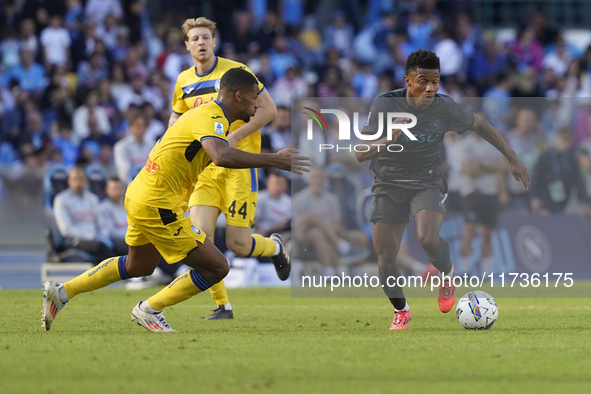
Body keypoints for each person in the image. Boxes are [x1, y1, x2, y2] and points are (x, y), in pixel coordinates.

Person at [41, 67, 310, 332]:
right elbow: (221, 156)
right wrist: (274, 159)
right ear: (239, 96)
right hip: (159, 204)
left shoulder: (210, 117)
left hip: (140, 196)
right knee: (217, 267)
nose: (256, 106)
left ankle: (62, 292)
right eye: (254, 98)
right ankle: (149, 309)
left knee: (139, 265)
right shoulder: (212, 117)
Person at [355, 49, 529, 330]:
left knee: (427, 238)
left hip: (427, 181)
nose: (430, 88)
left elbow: (481, 126)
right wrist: (389, 136)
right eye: (423, 81)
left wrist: (512, 158)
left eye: (435, 81)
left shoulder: (445, 107)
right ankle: (402, 311)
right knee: (386, 261)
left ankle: (447, 273)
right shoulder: (385, 105)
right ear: (407, 80)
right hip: (387, 184)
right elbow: (360, 153)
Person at [168, 17, 284, 320]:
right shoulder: (183, 81)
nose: (201, 43)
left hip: (238, 167)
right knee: (198, 241)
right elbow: (176, 120)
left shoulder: (236, 73)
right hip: (205, 170)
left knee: (239, 245)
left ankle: (273, 248)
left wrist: (234, 136)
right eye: (195, 39)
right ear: (187, 45)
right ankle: (223, 305)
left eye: (206, 37)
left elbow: (269, 110)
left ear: (214, 41)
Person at [292, 167, 369, 276]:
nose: (318, 181)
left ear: (326, 180)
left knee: (360, 237)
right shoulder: (299, 199)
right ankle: (332, 266)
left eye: (322, 178)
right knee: (316, 229)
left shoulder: (331, 199)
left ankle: (357, 272)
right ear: (309, 179)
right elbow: (298, 226)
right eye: (315, 178)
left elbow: (337, 222)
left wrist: (338, 229)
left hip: (332, 233)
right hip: (308, 235)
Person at [458, 129, 507, 276]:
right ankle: (464, 271)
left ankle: (487, 273)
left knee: (487, 234)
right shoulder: (466, 144)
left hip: (491, 191)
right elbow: (468, 169)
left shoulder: (494, 143)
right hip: (473, 192)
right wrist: (491, 167)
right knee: (469, 231)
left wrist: (481, 167)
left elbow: (503, 166)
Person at [53, 166, 114, 263]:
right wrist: (89, 236)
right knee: (100, 247)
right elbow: (66, 230)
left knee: (117, 243)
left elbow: (101, 224)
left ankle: (134, 275)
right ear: (69, 181)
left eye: (81, 179)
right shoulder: (61, 200)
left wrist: (103, 236)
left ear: (86, 181)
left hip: (95, 238)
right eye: (74, 179)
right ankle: (115, 274)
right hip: (73, 240)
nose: (78, 183)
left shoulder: (93, 199)